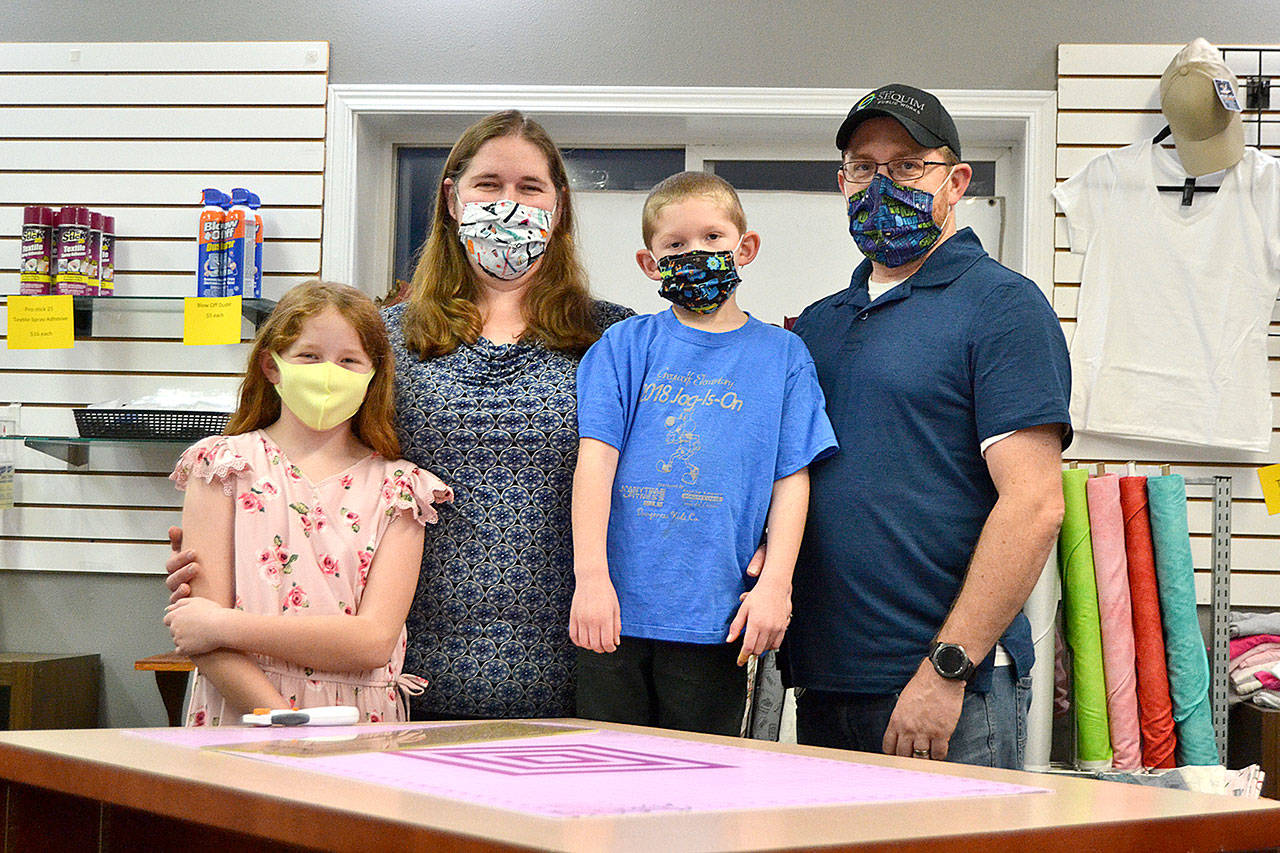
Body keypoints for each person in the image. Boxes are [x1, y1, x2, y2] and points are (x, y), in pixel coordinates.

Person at [166, 112, 632, 721]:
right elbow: (313, 471)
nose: (508, 203)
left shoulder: (618, 339)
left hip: (583, 654)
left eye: (529, 187)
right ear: (452, 196)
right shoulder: (385, 338)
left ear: (560, 204)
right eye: (488, 184)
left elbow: (672, 467)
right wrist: (225, 544)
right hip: (391, 672)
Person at [784, 84, 1071, 768]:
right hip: (826, 683)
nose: (882, 182)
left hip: (948, 688)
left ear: (957, 181)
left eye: (908, 165)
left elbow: (1034, 505)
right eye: (863, 166)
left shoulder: (1002, 307)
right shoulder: (820, 322)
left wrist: (946, 669)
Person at [570, 171, 837, 735]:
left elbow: (793, 478)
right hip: (614, 614)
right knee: (603, 780)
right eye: (676, 244)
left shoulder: (785, 356)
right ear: (650, 264)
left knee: (699, 791)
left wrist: (776, 587)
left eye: (713, 239)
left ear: (746, 247)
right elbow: (595, 463)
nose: (697, 252)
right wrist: (590, 578)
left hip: (717, 619)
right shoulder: (622, 346)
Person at [162, 280, 453, 725]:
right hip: (244, 711)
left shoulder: (403, 491)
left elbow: (372, 641)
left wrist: (225, 625)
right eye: (309, 356)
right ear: (272, 365)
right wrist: (287, 725)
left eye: (349, 360)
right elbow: (203, 640)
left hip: (359, 725)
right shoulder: (222, 466)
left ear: (374, 373)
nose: (328, 373)